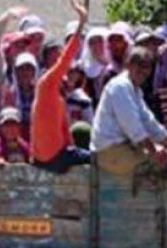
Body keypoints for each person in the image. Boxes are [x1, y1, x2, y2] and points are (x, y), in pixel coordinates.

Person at [91, 47, 167, 175]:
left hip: (124, 148)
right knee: (162, 164)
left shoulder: (135, 91)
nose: (143, 70)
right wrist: (154, 150)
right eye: (139, 65)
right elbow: (132, 125)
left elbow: (151, 123)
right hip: (108, 151)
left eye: (147, 66)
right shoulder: (119, 86)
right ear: (128, 65)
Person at [29, 0, 92, 173]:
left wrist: (72, 150)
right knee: (100, 159)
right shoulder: (46, 84)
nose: (59, 59)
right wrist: (81, 23)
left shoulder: (58, 94)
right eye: (55, 55)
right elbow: (67, 59)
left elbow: (65, 131)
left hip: (48, 157)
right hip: (52, 157)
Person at [2, 52, 38, 140]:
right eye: (21, 69)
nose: (25, 72)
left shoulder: (40, 93)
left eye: (28, 68)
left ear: (34, 71)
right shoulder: (10, 94)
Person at [81, 26, 109, 105]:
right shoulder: (84, 67)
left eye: (100, 41)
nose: (96, 45)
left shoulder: (116, 64)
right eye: (92, 42)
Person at [66, 61, 94, 125]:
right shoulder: (56, 94)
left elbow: (90, 124)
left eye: (75, 73)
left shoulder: (84, 100)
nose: (72, 75)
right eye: (70, 72)